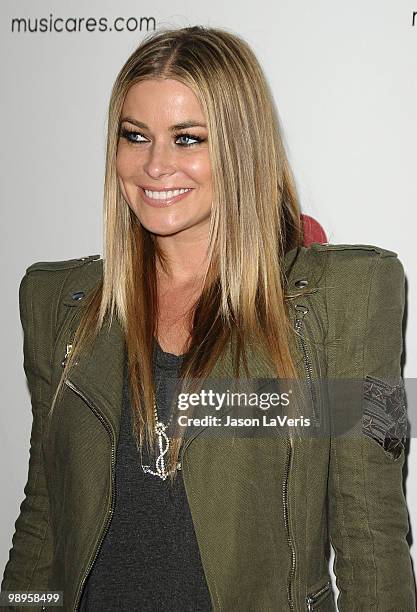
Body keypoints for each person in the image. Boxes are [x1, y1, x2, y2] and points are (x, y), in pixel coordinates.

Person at [1, 25, 415, 612]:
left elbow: (373, 542)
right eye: (135, 135)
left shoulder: (350, 299)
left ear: (241, 148)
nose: (155, 165)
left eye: (188, 138)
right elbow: (44, 524)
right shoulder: (56, 304)